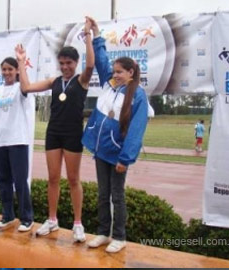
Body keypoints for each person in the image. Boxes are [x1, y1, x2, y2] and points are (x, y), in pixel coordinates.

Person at [15, 17, 94, 242]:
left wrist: (88, 35)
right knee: (52, 178)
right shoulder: (54, 81)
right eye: (62, 63)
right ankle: (52, 220)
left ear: (75, 63)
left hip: (73, 134)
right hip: (54, 133)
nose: (65, 67)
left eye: (69, 63)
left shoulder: (82, 80)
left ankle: (78, 223)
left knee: (73, 179)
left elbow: (90, 65)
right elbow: (27, 87)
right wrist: (21, 62)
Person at [82, 17, 151, 253]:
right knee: (102, 194)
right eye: (114, 71)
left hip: (118, 155)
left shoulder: (139, 96)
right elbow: (101, 59)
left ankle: (119, 237)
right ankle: (103, 233)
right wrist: (96, 33)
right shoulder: (109, 84)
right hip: (101, 150)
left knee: (117, 196)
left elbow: (136, 130)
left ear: (131, 73)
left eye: (120, 72)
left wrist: (125, 157)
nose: (115, 74)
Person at [0, 57, 34, 232]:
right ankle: (8, 215)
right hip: (0, 142)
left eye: (10, 69)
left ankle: (27, 218)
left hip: (18, 140)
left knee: (20, 181)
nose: (7, 72)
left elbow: (26, 87)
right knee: (3, 181)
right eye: (4, 69)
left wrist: (21, 62)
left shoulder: (21, 88)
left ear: (17, 71)